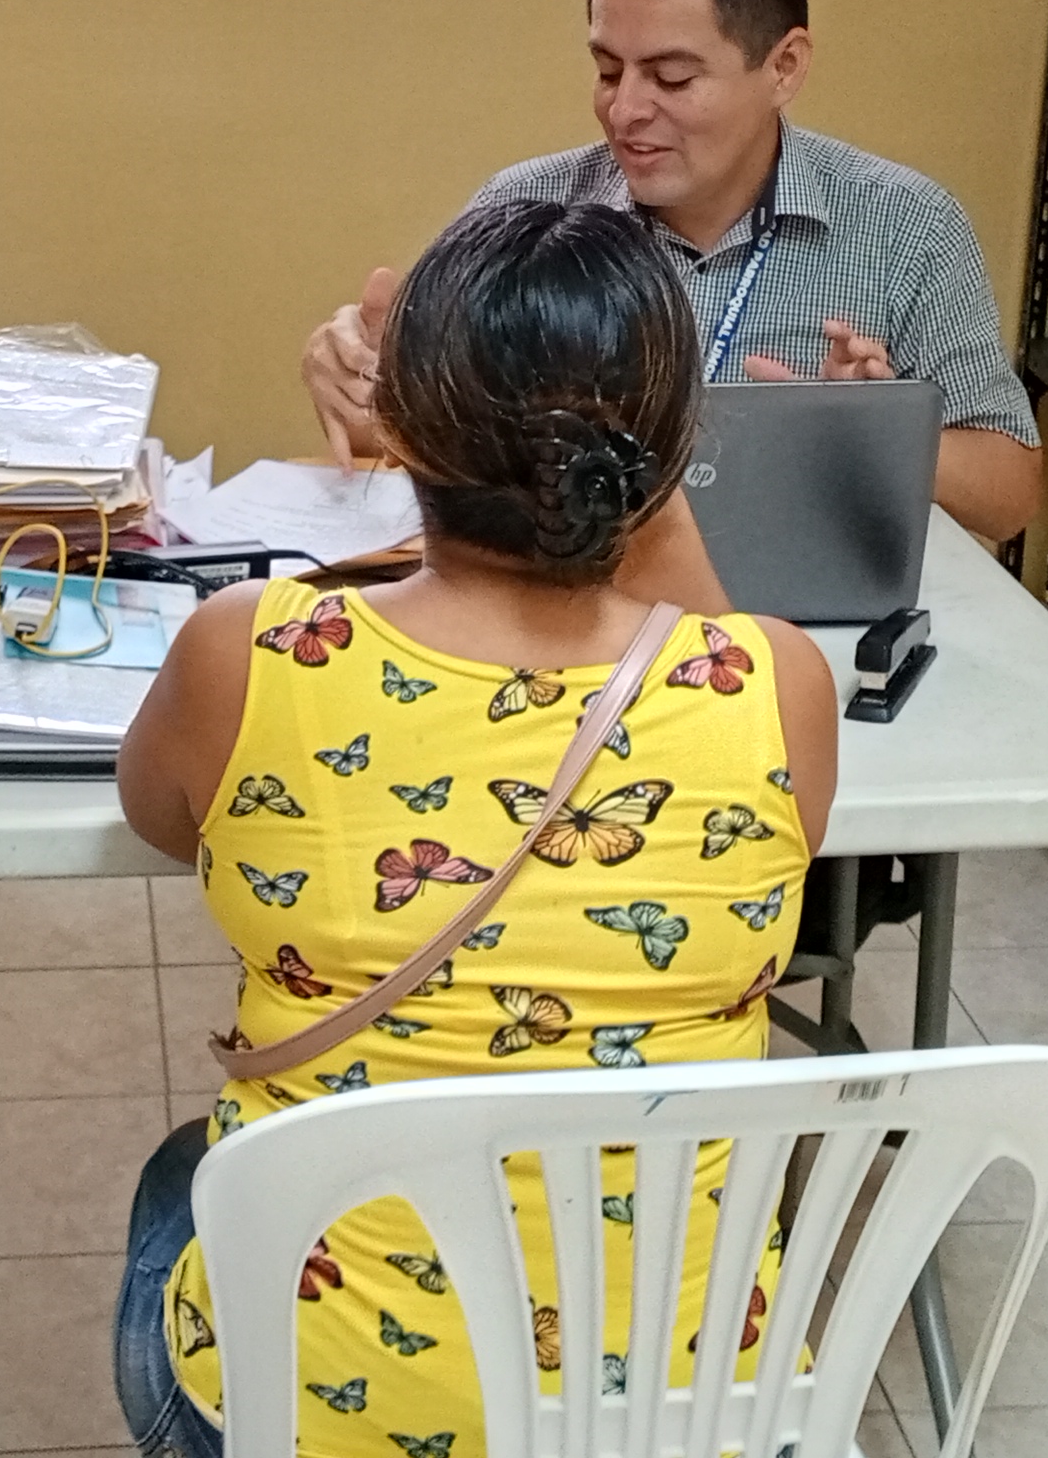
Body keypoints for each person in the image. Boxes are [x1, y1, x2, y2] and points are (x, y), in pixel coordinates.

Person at [113, 201, 845, 1457]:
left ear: (397, 426)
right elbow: (717, 674)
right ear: (668, 456)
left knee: (180, 1179)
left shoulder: (247, 650)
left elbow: (162, 819)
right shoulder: (774, 686)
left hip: (310, 1426)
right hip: (687, 1429)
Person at [303, 0, 1047, 594]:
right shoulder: (523, 211)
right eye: (607, 70)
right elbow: (400, 443)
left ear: (784, 67)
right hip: (560, 622)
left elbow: (1010, 494)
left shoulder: (904, 225)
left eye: (672, 78)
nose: (625, 110)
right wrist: (356, 382)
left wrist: (877, 433)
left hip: (802, 628)